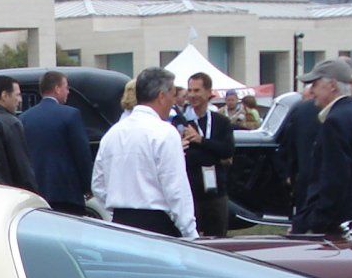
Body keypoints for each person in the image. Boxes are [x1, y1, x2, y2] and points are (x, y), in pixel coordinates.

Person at [92, 67, 196, 237]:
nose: (174, 101)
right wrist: (190, 233)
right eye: (173, 94)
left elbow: (98, 185)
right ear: (162, 96)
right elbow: (176, 189)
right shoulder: (165, 132)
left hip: (120, 223)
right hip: (156, 225)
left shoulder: (113, 133)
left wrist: (116, 208)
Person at [301, 58, 352, 238]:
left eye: (316, 84)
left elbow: (334, 179)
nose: (312, 91)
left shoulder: (336, 120)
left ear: (332, 85)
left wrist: (317, 222)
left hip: (339, 222)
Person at [172, 73, 236, 237]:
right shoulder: (180, 121)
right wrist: (212, 152)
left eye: (197, 90)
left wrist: (201, 141)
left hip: (215, 191)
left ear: (208, 92)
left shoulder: (221, 121)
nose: (192, 95)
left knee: (218, 238)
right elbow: (186, 154)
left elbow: (227, 150)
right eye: (190, 91)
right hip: (189, 191)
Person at [20, 70, 92, 216]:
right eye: (66, 88)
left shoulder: (24, 118)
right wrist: (87, 186)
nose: (68, 92)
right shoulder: (71, 115)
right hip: (67, 193)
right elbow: (82, 154)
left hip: (36, 194)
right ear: (57, 89)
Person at [277, 82, 322, 233]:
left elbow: (289, 145)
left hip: (306, 176)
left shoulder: (301, 111)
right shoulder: (301, 112)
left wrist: (290, 172)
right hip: (305, 177)